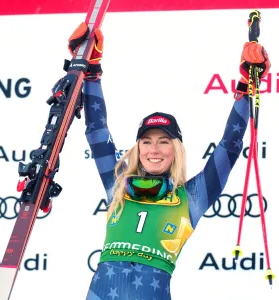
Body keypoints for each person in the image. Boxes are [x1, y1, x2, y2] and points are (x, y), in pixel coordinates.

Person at [64, 22, 271, 300]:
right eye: (147, 141)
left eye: (164, 141)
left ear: (176, 149)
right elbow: (97, 132)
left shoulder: (194, 196)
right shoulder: (119, 183)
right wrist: (91, 73)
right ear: (138, 148)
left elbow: (229, 147)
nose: (154, 150)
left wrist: (246, 89)